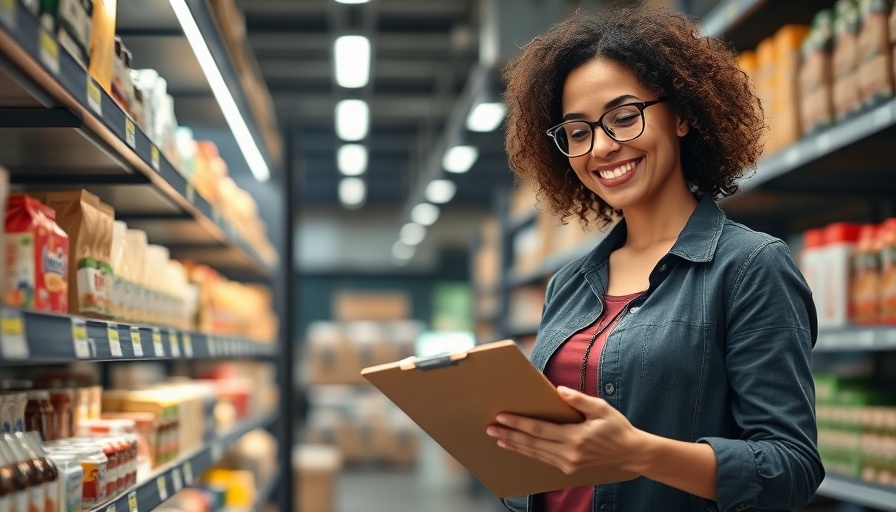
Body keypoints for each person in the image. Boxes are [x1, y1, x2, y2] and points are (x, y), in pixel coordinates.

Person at [486, 5, 824, 512]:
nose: (601, 147)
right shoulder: (570, 283)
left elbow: (790, 469)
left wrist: (638, 452)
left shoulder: (751, 268)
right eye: (578, 132)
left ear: (682, 114)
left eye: (624, 118)